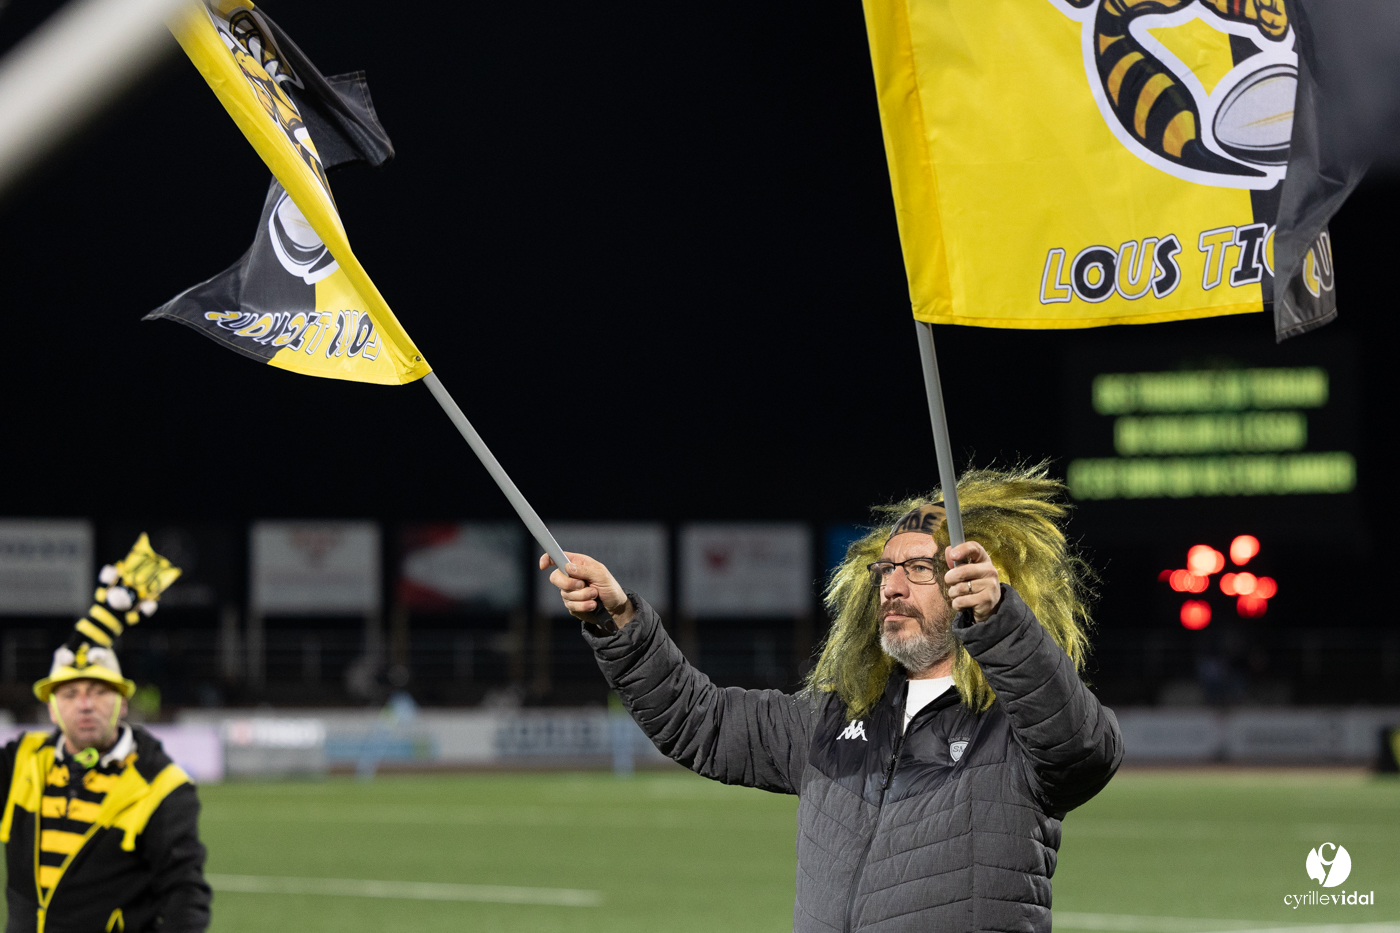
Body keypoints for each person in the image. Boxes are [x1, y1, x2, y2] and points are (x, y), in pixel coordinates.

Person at [544, 466, 1122, 933]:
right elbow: (705, 724)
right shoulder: (836, 716)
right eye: (885, 569)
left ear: (977, 581)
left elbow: (1083, 751)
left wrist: (1001, 624)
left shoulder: (1017, 724)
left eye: (919, 568)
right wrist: (619, 620)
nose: (892, 586)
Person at [1, 535, 211, 933]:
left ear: (123, 703)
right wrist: (105, 617)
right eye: (70, 694)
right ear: (52, 708)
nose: (84, 704)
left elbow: (185, 898)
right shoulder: (20, 762)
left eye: (99, 691)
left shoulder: (162, 786)